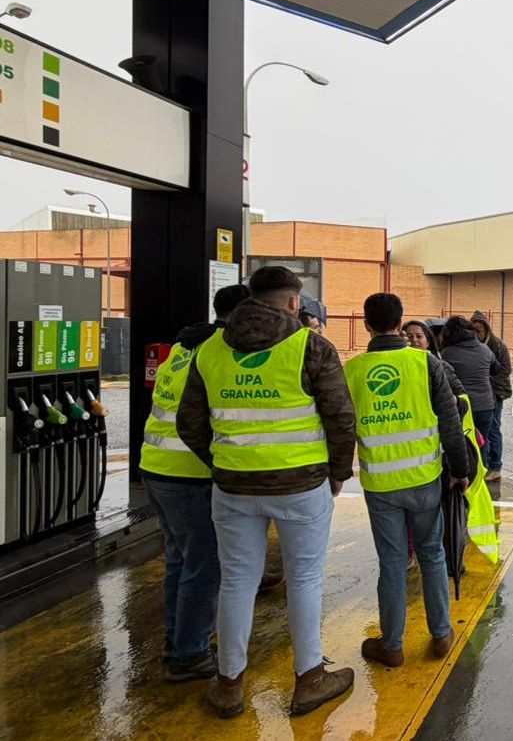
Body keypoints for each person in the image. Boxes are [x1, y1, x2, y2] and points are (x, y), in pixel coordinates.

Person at [178, 265, 358, 719]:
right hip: (302, 486)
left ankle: (229, 684)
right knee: (304, 580)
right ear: (294, 302)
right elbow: (340, 417)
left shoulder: (210, 350)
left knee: (237, 581)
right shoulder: (311, 346)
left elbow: (189, 424)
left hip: (233, 488)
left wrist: (225, 462)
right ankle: (310, 679)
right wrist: (338, 471)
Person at [347, 294, 474, 667]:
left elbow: (338, 427)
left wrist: (337, 473)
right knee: (432, 553)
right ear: (400, 323)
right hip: (424, 479)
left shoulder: (352, 371)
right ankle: (440, 634)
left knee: (392, 563)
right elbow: (450, 422)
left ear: (367, 324)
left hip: (380, 485)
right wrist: (460, 469)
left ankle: (392, 644)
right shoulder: (425, 363)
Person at [141, 283, 250, 682]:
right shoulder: (220, 351)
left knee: (181, 561)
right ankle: (189, 653)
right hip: (191, 475)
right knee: (204, 568)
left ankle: (179, 642)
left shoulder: (184, 345)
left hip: (156, 468)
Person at [445, 316, 502, 480]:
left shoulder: (448, 353)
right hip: (485, 405)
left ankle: (464, 478)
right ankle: (480, 478)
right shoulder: (485, 350)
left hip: (461, 406)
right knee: (481, 444)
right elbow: (496, 369)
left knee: (461, 444)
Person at [469, 311, 513, 478]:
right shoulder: (471, 346)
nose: (476, 333)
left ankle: (495, 466)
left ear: (486, 330)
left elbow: (506, 369)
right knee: (481, 430)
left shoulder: (498, 345)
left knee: (493, 428)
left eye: (479, 330)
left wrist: (487, 380)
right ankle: (484, 463)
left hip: (495, 393)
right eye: (473, 330)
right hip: (480, 394)